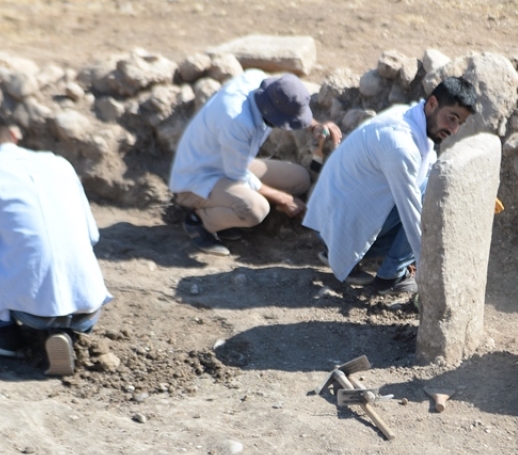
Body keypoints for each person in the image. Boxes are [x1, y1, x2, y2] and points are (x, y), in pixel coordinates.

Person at [0, 107, 112, 377]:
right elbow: (92, 236)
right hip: (89, 306)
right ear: (13, 136)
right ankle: (72, 334)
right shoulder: (59, 162)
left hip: (31, 313)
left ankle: (8, 335)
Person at [303, 76, 476, 294]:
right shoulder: (401, 146)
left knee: (432, 184)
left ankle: (338, 250)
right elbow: (412, 214)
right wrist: (429, 273)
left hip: (331, 221)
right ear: (432, 104)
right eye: (452, 118)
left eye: (459, 123)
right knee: (432, 196)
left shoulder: (408, 115)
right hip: (338, 227)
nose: (454, 129)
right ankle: (391, 276)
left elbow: (428, 165)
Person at [169, 69, 342, 256]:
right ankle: (198, 220)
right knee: (256, 210)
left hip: (229, 161)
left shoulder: (264, 84)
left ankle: (229, 210)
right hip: (198, 177)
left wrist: (315, 126)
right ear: (272, 113)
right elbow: (238, 174)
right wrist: (283, 198)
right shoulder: (235, 119)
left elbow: (290, 106)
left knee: (300, 179)